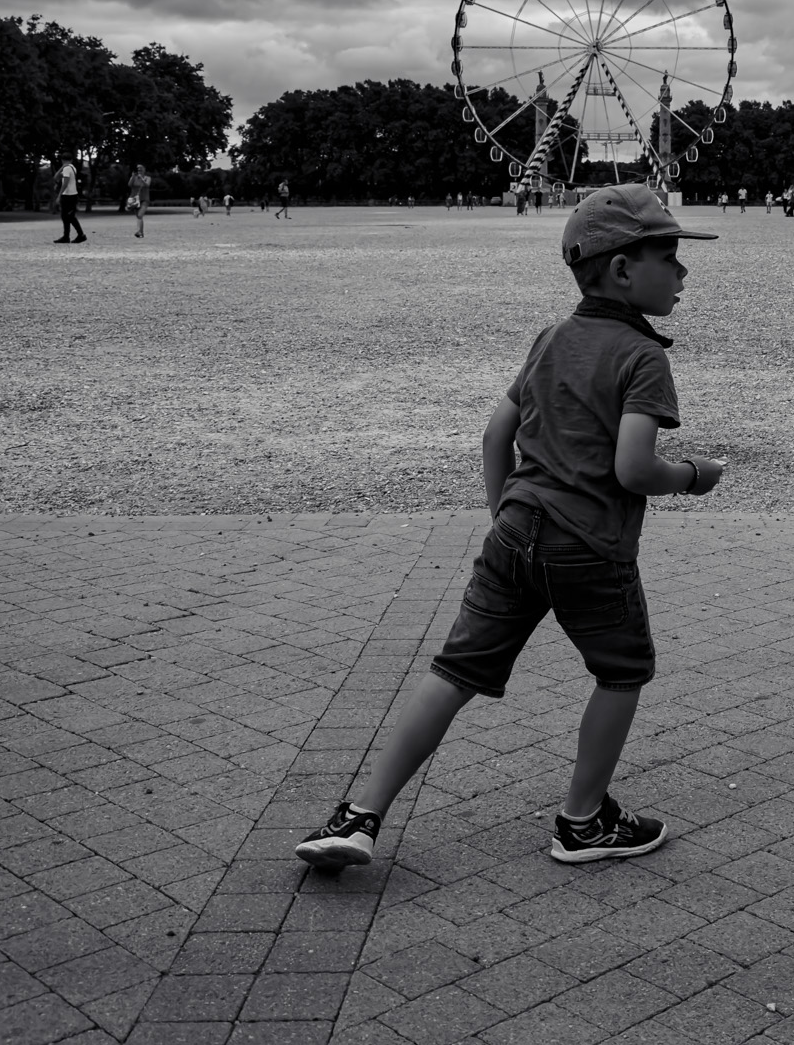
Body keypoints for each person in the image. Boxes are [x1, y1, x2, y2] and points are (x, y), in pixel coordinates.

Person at [294, 185, 726, 871]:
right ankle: (582, 821)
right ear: (621, 269)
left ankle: (361, 815)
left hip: (516, 533)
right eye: (668, 255)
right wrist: (695, 474)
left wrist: (506, 514)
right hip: (589, 546)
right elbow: (634, 469)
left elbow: (496, 432)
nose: (682, 271)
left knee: (455, 670)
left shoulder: (551, 338)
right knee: (622, 672)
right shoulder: (643, 357)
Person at [53, 154, 87, 244]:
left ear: (62, 160)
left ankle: (81, 235)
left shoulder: (67, 169)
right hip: (69, 195)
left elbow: (65, 182)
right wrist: (62, 167)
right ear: (71, 160)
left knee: (70, 216)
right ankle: (66, 236)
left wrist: (59, 195)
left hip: (69, 195)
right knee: (65, 216)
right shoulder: (71, 167)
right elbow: (56, 177)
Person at [128, 163, 151, 238]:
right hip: (135, 199)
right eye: (138, 168)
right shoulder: (134, 177)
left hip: (145, 199)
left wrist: (141, 179)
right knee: (138, 216)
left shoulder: (148, 178)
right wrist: (132, 177)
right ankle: (141, 232)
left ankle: (139, 231)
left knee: (140, 215)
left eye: (141, 168)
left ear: (144, 169)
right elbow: (129, 185)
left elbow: (147, 185)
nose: (139, 169)